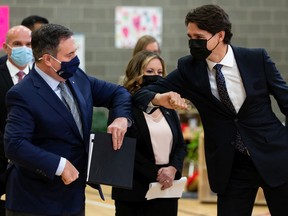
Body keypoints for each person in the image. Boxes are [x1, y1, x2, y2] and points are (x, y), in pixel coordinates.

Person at [133, 4, 288, 216]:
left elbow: (285, 100)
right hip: (231, 167)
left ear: (220, 35)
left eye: (199, 36)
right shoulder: (189, 68)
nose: (192, 42)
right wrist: (161, 98)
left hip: (274, 156)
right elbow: (143, 94)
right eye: (189, 36)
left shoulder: (256, 59)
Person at [4, 23, 132, 216]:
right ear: (48, 59)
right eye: (69, 55)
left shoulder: (77, 77)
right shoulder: (23, 94)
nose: (76, 60)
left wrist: (121, 118)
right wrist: (59, 165)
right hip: (35, 201)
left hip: (74, 198)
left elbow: (118, 92)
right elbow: (14, 145)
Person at [112, 50, 186, 216]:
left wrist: (173, 168)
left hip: (166, 190)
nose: (156, 76)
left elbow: (180, 145)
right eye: (149, 72)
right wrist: (158, 175)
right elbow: (124, 149)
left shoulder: (168, 107)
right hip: (133, 192)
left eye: (160, 72)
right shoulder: (124, 105)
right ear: (136, 74)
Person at [0, 25, 33, 216]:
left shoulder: (43, 73)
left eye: (29, 44)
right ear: (6, 47)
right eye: (18, 44)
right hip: (2, 161)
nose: (24, 48)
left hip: (36, 166)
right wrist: (11, 150)